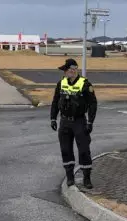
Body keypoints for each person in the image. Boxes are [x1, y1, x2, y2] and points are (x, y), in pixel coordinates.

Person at [50, 58, 98, 189]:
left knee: (83, 150)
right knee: (65, 150)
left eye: (66, 70)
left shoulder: (85, 84)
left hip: (79, 122)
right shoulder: (61, 83)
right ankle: (70, 177)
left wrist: (90, 122)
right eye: (65, 70)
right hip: (64, 122)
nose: (65, 72)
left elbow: (93, 104)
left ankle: (86, 178)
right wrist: (53, 118)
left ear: (73, 70)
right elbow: (55, 101)